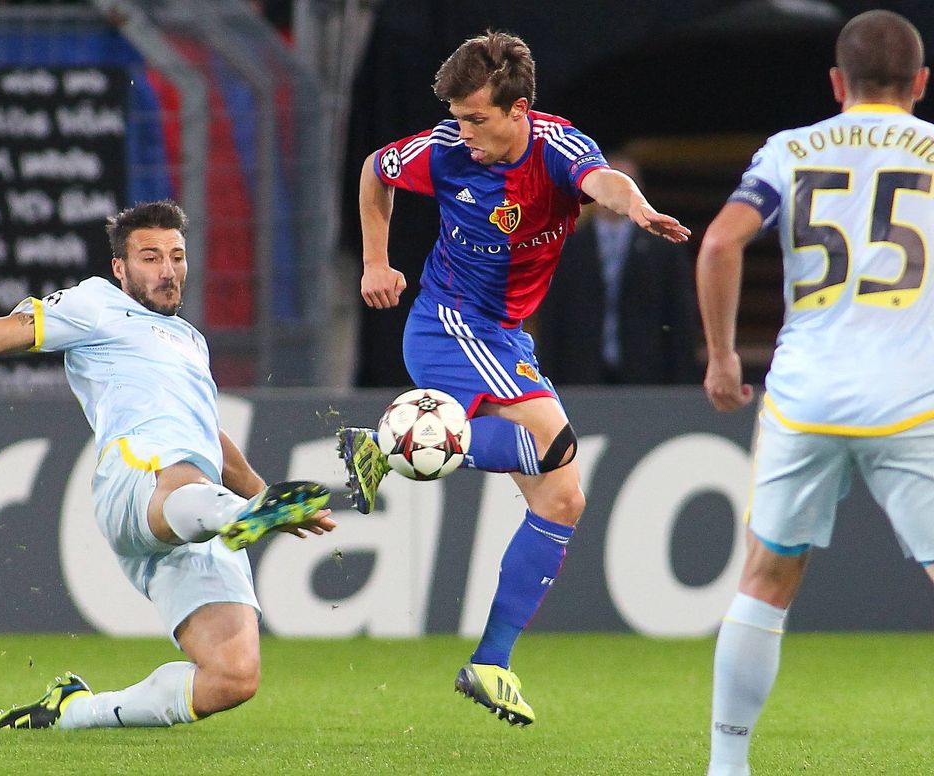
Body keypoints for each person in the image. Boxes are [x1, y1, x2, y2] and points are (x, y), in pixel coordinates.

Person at [0, 200, 336, 730]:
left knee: (233, 676)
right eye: (151, 258)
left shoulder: (191, 342)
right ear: (120, 268)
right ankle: (232, 514)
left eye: (176, 256)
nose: (168, 271)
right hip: (139, 482)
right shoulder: (93, 304)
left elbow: (210, 437)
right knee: (182, 470)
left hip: (193, 514)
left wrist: (266, 495)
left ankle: (74, 712)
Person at [338, 30, 690, 726]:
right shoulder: (444, 149)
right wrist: (376, 261)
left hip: (502, 335)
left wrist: (636, 206)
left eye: (476, 119)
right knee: (557, 447)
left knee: (562, 499)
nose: (462, 133)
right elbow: (376, 171)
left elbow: (603, 182)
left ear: (519, 108)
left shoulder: (557, 149)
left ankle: (492, 662)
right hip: (448, 322)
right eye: (459, 117)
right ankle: (387, 446)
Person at [696, 11, 934, 775]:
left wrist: (725, 355)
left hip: (807, 395)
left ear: (837, 84)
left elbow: (722, 241)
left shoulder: (791, 150)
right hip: (914, 395)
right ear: (920, 85)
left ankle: (727, 768)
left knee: (766, 577)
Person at [537, 152, 701, 385]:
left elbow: (680, 316)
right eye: (609, 184)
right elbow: (552, 316)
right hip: (580, 374)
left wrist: (684, 381)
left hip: (648, 376)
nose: (617, 194)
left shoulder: (663, 248)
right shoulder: (568, 246)